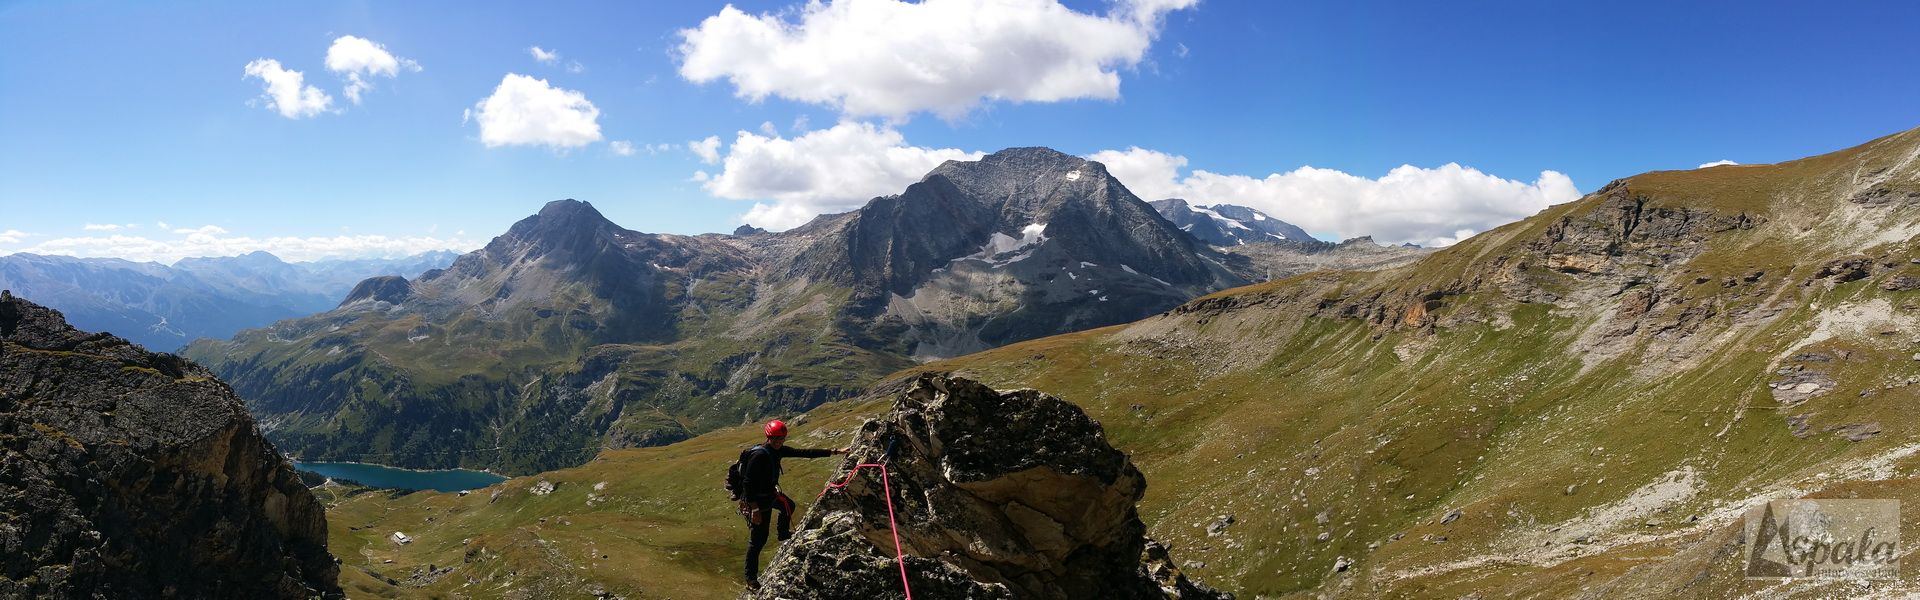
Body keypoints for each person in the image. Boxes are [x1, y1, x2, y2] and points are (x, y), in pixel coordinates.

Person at [740, 419, 848, 589]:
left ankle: (783, 533)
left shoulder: (778, 450)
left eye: (781, 438)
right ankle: (751, 579)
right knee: (758, 541)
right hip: (758, 502)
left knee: (788, 505)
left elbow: (805, 452)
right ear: (768, 437)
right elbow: (747, 483)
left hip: (770, 495)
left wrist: (835, 451)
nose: (778, 441)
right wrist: (754, 509)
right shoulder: (759, 455)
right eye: (775, 438)